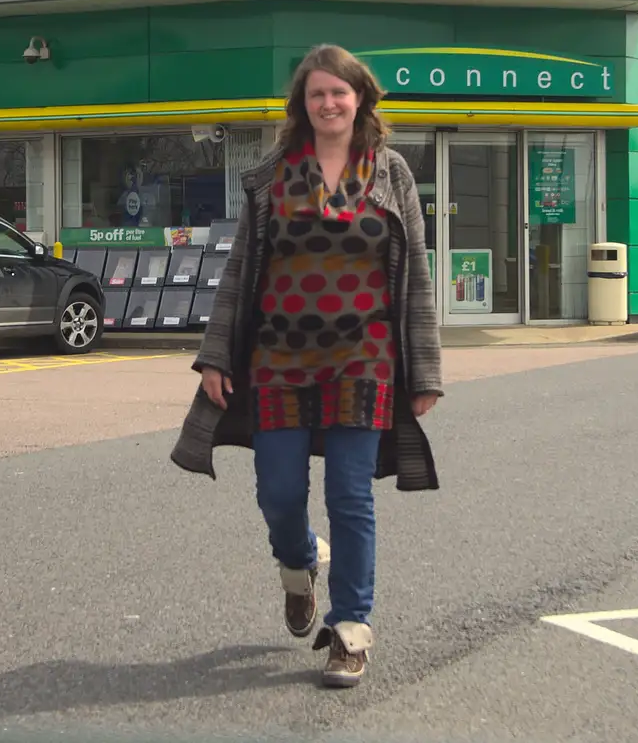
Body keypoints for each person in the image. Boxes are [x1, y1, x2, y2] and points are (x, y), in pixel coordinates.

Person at [171, 43, 443, 689]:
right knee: (280, 491)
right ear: (303, 104)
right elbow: (240, 270)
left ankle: (351, 628)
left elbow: (417, 276)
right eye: (317, 93)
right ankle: (298, 565)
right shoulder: (273, 175)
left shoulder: (391, 171)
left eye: (339, 93)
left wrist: (425, 368)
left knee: (351, 494)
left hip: (365, 354)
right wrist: (215, 354)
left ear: (360, 100)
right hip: (279, 354)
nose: (328, 103)